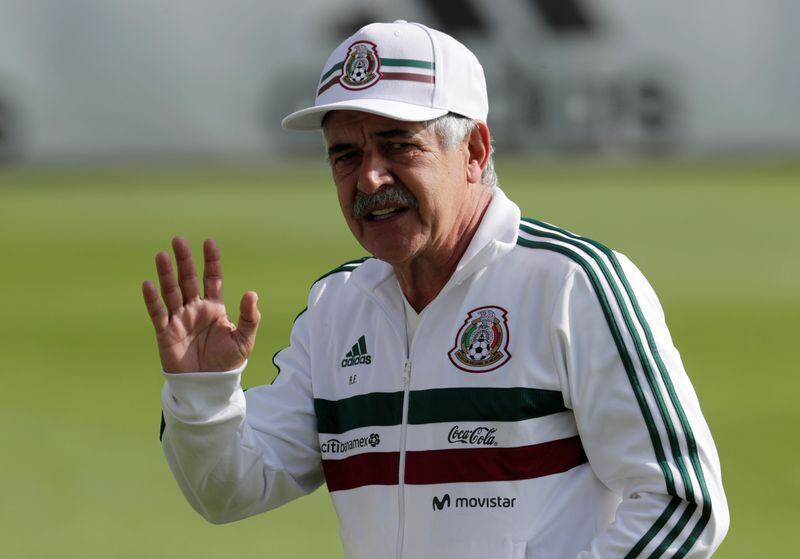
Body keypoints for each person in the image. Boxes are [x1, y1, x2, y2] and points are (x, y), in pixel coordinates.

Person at [144, 21, 728, 558]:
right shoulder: (336, 307)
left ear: (473, 151)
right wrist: (205, 395)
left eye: (398, 145)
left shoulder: (572, 283)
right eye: (345, 155)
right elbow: (229, 491)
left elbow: (682, 503)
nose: (369, 177)